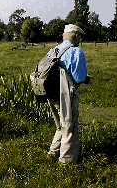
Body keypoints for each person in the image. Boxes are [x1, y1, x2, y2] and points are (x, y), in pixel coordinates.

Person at [47, 24, 90, 164]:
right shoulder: (76, 52)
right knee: (69, 126)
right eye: (80, 37)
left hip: (50, 92)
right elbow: (79, 78)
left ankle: (53, 153)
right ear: (76, 36)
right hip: (65, 93)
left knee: (61, 124)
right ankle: (66, 162)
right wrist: (86, 78)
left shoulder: (53, 50)